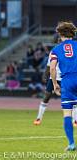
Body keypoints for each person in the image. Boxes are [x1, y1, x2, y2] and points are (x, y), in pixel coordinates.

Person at [50, 21, 77, 151]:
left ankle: (71, 144)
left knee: (67, 114)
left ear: (60, 34)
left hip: (67, 81)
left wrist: (55, 84)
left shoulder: (56, 49)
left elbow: (53, 69)